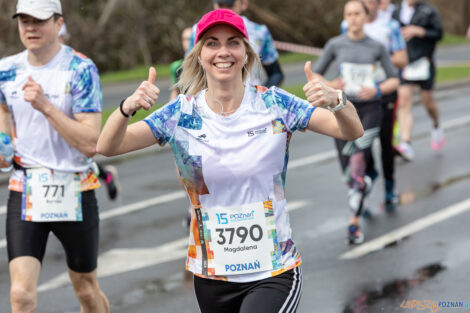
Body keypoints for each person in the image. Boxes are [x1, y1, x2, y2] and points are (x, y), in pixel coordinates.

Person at [97, 8, 363, 313]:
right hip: (213, 273)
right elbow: (108, 146)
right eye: (212, 43)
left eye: (233, 42)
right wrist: (126, 108)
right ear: (199, 55)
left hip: (273, 270)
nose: (223, 52)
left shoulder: (275, 103)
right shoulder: (180, 114)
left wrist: (338, 102)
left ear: (247, 54)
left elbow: (351, 131)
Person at [0, 0, 109, 312]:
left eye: (39, 20)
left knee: (86, 291)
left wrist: (45, 107)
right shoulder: (6, 70)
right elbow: (4, 114)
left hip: (74, 186)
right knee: (20, 295)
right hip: (26, 187)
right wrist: (3, 146)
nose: (31, 28)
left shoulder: (80, 69)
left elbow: (90, 142)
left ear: (58, 23)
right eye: (24, 21)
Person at [313, 0, 399, 244]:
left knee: (358, 159)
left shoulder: (376, 46)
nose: (353, 18)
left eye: (357, 14)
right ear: (345, 17)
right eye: (349, 14)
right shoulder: (335, 44)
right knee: (347, 170)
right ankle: (368, 179)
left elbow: (395, 80)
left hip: (371, 110)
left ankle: (353, 224)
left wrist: (377, 90)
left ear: (365, 15)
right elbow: (318, 73)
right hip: (342, 110)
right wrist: (331, 85)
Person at [342, 0, 408, 212]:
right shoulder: (348, 24)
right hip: (357, 95)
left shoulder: (391, 27)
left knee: (385, 143)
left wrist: (375, 56)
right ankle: (367, 179)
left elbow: (402, 59)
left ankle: (390, 185)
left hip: (383, 92)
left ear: (379, 4)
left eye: (373, 1)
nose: (368, 4)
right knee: (362, 141)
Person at [58, 22, 121, 200]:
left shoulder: (79, 63)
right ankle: (106, 175)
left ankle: (106, 176)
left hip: (76, 118)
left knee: (79, 154)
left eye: (59, 38)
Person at [186, 0, 284, 88]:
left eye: (229, 5)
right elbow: (188, 71)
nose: (224, 10)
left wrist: (262, 97)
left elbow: (275, 73)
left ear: (244, 3)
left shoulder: (259, 31)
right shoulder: (197, 30)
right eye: (220, 4)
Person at [392, 0, 444, 161]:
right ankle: (406, 143)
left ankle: (436, 125)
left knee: (427, 101)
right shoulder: (396, 10)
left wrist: (419, 31)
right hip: (405, 63)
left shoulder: (428, 11)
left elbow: (439, 34)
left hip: (424, 62)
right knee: (404, 102)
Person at [170, 26, 193, 100]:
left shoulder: (206, 64)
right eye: (185, 39)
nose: (188, 42)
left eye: (191, 38)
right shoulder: (176, 67)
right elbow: (175, 91)